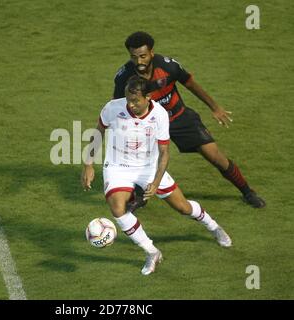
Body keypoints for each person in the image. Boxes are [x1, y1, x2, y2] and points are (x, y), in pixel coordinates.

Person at [81, 76, 232, 276]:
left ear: (148, 97)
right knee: (118, 208)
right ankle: (151, 251)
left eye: (135, 100)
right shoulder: (112, 108)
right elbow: (98, 133)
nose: (130, 104)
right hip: (118, 167)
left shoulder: (159, 115)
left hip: (148, 167)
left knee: (183, 207)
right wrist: (88, 164)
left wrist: (155, 182)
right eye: (128, 99)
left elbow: (164, 153)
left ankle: (213, 226)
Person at [113, 31, 266, 210]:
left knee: (215, 156)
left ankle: (247, 192)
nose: (139, 62)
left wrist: (215, 107)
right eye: (134, 57)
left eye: (143, 56)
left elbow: (191, 84)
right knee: (140, 160)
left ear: (152, 53)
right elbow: (117, 106)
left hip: (179, 118)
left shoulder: (168, 67)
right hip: (149, 124)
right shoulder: (124, 77)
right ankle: (139, 198)